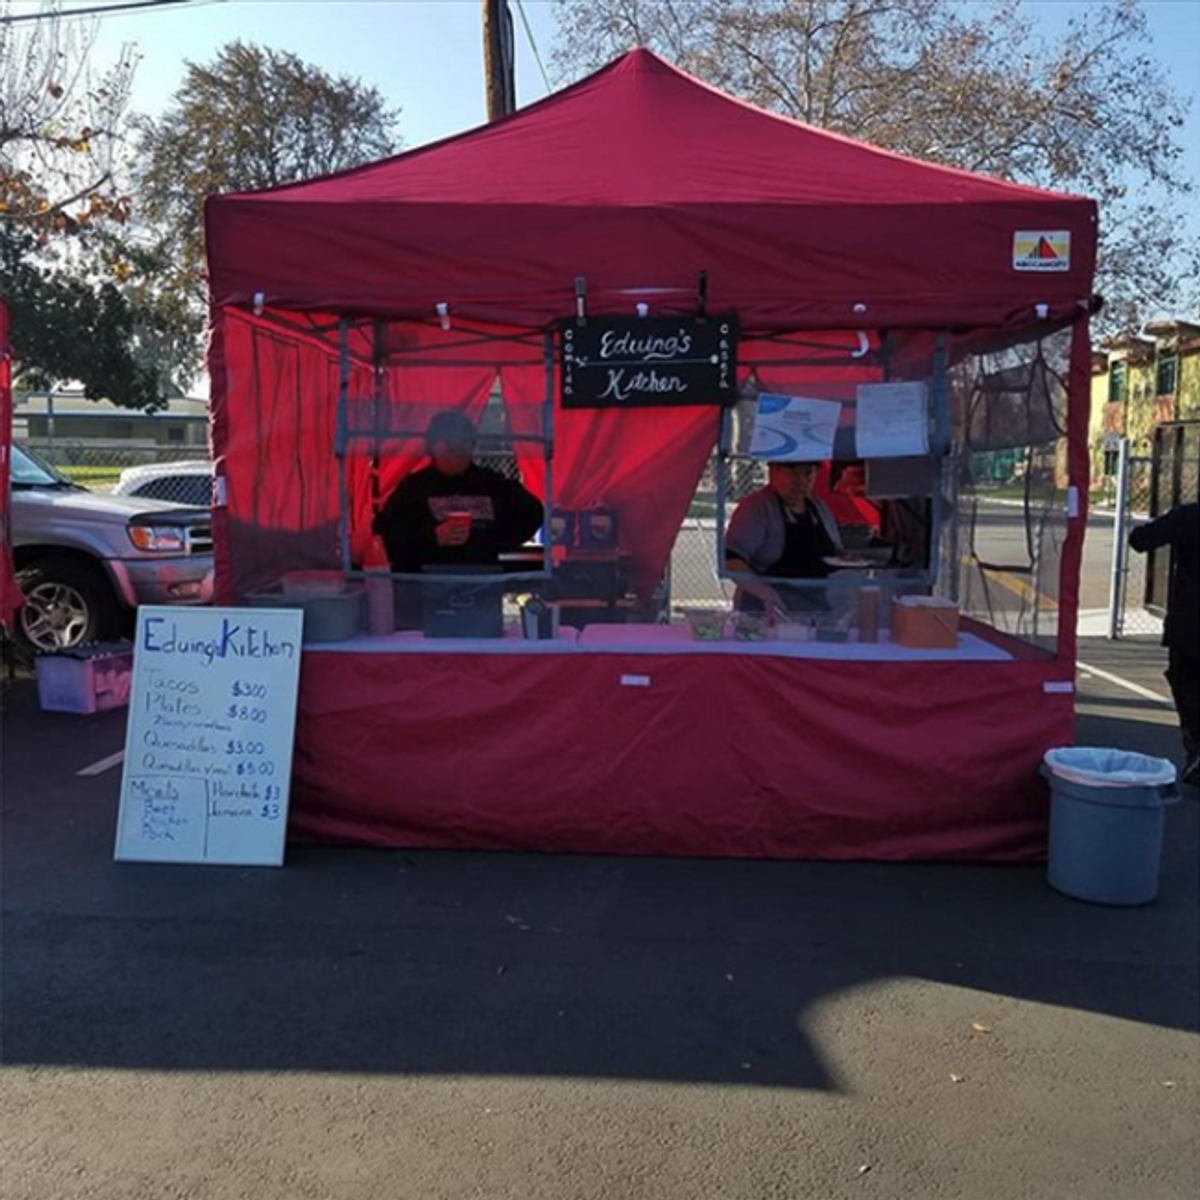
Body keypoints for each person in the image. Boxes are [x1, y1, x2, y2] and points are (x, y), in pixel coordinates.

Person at [373, 411, 544, 574]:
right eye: (447, 443)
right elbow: (385, 532)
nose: (454, 449)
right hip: (426, 581)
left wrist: (491, 541)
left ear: (471, 446)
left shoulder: (492, 484)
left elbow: (533, 512)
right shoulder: (414, 488)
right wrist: (432, 537)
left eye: (461, 442)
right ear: (432, 447)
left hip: (481, 580)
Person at [1129, 501, 1199, 786]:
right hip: (1189, 623)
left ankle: (1196, 745)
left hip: (1191, 623)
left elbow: (1140, 540)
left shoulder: (1190, 516)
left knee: (1187, 682)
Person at [724, 460, 843, 616]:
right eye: (793, 473)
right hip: (765, 613)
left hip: (814, 610)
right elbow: (732, 561)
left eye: (808, 473)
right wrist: (769, 595)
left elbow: (836, 554)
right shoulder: (757, 508)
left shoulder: (820, 508)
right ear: (774, 471)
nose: (801, 481)